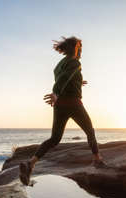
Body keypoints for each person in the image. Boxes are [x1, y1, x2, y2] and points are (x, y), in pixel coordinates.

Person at [19, 36, 105, 185]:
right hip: (73, 103)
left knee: (55, 138)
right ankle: (97, 160)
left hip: (60, 105)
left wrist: (77, 82)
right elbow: (64, 78)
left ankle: (30, 163)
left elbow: (65, 77)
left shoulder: (60, 64)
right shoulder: (75, 62)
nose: (81, 49)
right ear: (75, 47)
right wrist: (55, 92)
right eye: (79, 46)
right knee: (90, 131)